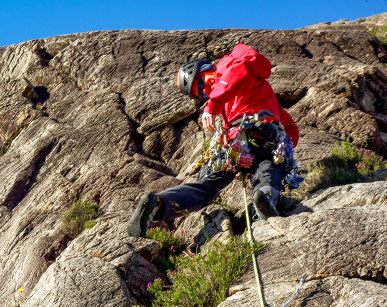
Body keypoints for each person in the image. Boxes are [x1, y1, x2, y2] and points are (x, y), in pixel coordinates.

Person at [127, 43, 302, 238]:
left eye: (201, 83)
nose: (205, 91)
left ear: (208, 69)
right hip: (254, 138)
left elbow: (239, 71)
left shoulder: (229, 65)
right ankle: (159, 204)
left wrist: (211, 106)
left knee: (264, 168)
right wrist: (284, 149)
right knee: (224, 180)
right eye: (200, 93)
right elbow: (290, 129)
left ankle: (264, 200)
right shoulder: (239, 97)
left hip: (248, 133)